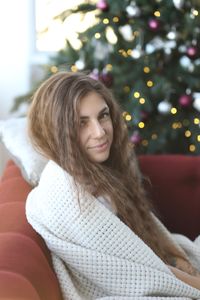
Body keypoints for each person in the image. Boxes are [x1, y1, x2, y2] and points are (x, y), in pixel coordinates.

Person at [26, 71, 200, 300]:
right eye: (81, 123)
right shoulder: (67, 195)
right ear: (57, 130)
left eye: (103, 116)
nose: (99, 132)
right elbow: (143, 273)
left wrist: (175, 259)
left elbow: (145, 250)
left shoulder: (100, 174)